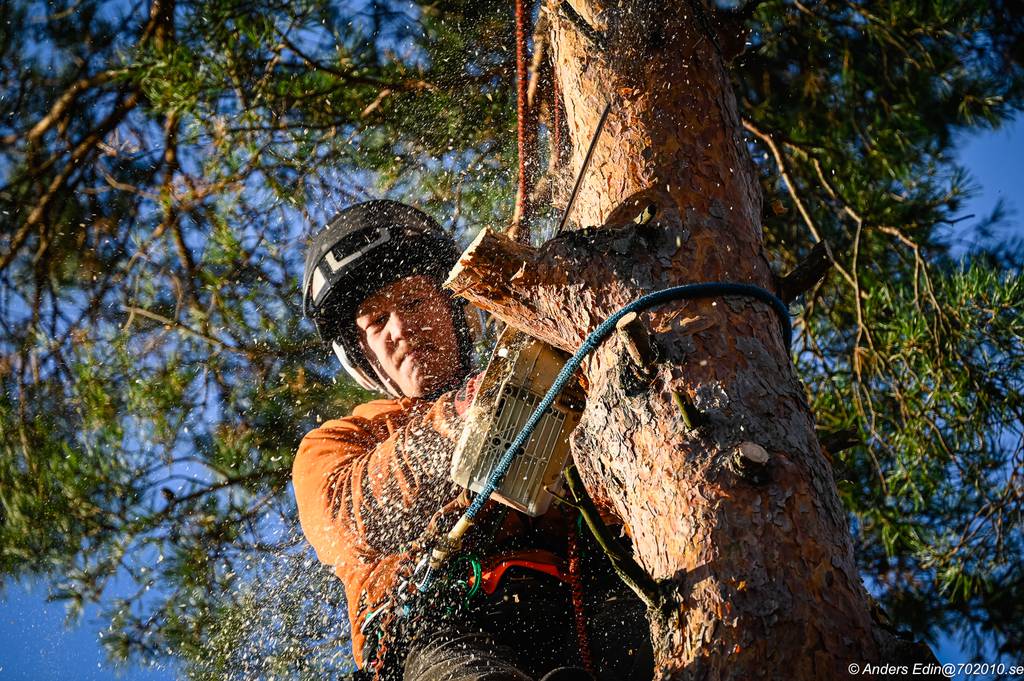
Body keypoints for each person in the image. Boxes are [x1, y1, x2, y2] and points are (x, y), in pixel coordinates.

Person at [292, 200, 653, 681]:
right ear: (358, 354)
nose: (400, 328)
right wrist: (458, 417)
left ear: (454, 306)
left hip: (587, 602)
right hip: (438, 627)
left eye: (415, 302)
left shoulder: (544, 385)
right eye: (376, 322)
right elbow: (349, 517)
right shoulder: (340, 440)